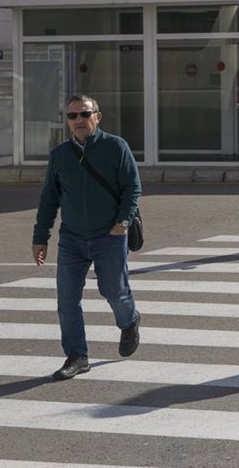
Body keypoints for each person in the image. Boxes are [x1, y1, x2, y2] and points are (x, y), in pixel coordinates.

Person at [32, 94, 142, 381]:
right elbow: (48, 199)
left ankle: (129, 321)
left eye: (84, 114)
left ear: (97, 116)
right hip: (72, 239)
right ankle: (77, 356)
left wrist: (123, 222)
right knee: (67, 300)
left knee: (113, 291)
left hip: (110, 235)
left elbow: (132, 188)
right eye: (72, 116)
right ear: (67, 120)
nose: (79, 120)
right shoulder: (59, 155)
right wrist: (40, 237)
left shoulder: (116, 147)